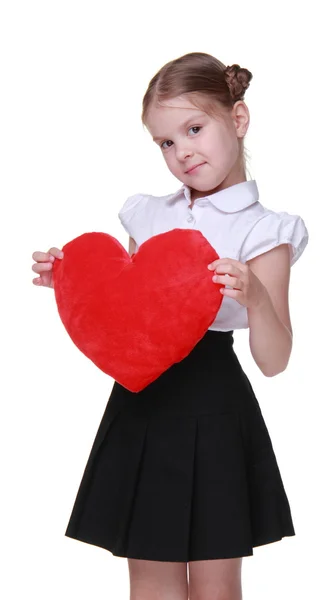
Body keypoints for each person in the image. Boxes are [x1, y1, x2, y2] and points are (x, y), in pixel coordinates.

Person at [31, 52, 309, 600]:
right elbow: (132, 309)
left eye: (194, 128)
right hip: (144, 400)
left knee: (215, 581)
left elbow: (275, 361)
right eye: (165, 142)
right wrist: (73, 281)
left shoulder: (265, 231)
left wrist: (254, 298)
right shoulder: (148, 215)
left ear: (238, 119)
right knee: (151, 578)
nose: (182, 151)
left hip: (215, 404)